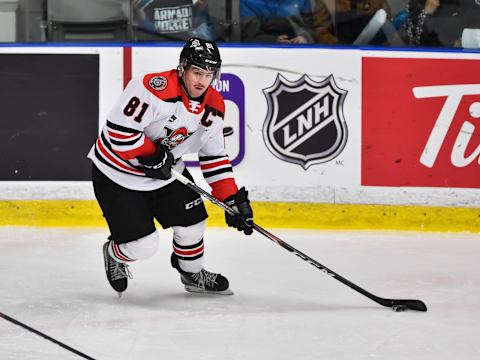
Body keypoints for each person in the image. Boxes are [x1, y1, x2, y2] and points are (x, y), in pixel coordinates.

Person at [87, 37, 254, 297]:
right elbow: (119, 133)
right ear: (182, 68)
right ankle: (113, 252)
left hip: (165, 174)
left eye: (209, 74)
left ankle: (192, 274)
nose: (202, 81)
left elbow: (214, 157)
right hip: (117, 173)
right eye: (197, 72)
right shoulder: (153, 88)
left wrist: (231, 199)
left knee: (194, 225)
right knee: (144, 246)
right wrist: (152, 153)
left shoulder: (214, 108)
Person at [312, 0, 392, 45]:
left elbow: (389, 28)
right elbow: (320, 32)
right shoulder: (328, 2)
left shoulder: (378, 2)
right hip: (339, 56)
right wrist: (341, 47)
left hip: (374, 53)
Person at [240, 0, 315, 43]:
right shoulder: (247, 2)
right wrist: (274, 40)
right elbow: (249, 35)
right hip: (262, 52)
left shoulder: (301, 1)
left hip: (298, 50)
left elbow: (311, 28)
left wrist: (304, 38)